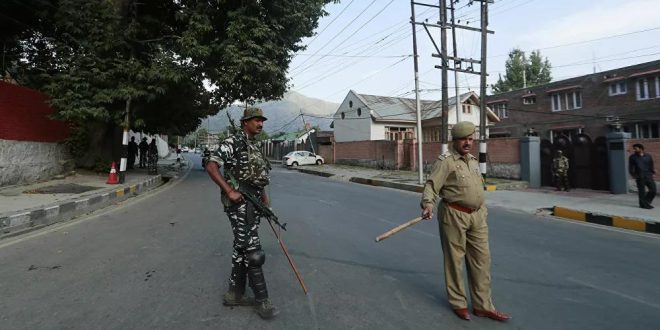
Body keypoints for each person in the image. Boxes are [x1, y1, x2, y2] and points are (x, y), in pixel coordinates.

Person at [420, 121, 511, 322]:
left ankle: (483, 306)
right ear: (455, 140)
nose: (468, 143)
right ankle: (458, 303)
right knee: (455, 260)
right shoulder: (446, 161)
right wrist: (428, 204)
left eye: (471, 139)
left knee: (482, 261)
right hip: (454, 215)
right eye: (464, 139)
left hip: (478, 215)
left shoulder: (472, 160)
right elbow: (431, 186)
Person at [205, 107, 277, 319]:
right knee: (254, 252)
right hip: (239, 205)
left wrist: (264, 199)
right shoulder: (233, 142)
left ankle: (234, 294)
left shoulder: (253, 146)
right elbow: (211, 166)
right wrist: (229, 190)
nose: (260, 124)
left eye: (262, 120)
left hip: (254, 203)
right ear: (245, 122)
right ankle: (263, 302)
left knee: (242, 248)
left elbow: (256, 177)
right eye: (256, 120)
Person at [629, 143, 656, 209]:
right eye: (634, 148)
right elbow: (631, 167)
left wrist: (652, 172)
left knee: (653, 190)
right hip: (640, 176)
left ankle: (645, 202)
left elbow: (651, 164)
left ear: (641, 148)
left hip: (648, 175)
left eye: (636, 148)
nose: (634, 150)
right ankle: (643, 205)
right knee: (642, 192)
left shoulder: (648, 156)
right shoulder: (632, 157)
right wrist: (634, 175)